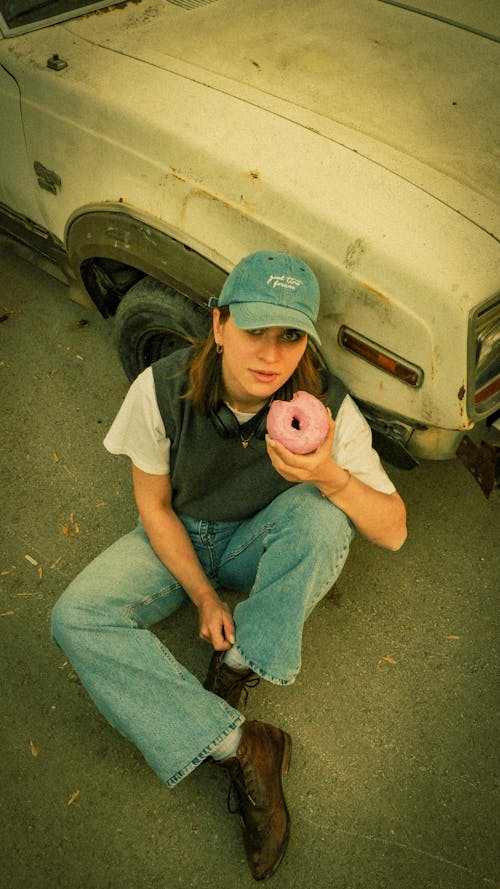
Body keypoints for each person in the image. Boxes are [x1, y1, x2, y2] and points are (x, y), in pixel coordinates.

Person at [51, 250, 407, 881]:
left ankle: (240, 661)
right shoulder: (160, 388)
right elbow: (154, 508)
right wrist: (205, 598)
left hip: (255, 541)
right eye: (254, 331)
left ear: (306, 343)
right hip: (179, 534)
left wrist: (329, 474)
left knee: (327, 519)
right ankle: (240, 744)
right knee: (75, 618)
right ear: (218, 325)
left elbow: (393, 530)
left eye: (290, 336)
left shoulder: (326, 408)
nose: (271, 356)